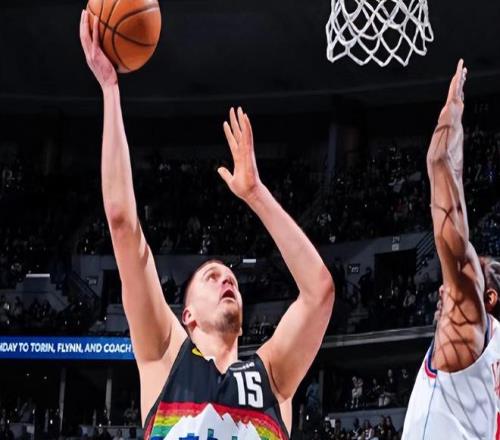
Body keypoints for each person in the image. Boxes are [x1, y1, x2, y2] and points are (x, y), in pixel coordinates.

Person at [80, 11, 334, 440]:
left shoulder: (272, 376)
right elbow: (122, 223)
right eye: (212, 277)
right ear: (188, 316)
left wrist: (256, 194)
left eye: (229, 277)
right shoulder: (166, 356)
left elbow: (319, 292)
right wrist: (109, 89)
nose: (227, 280)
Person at [402, 60, 500, 439]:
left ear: (487, 298)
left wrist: (452, 114)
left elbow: (439, 163)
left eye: (476, 273)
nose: (444, 288)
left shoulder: (470, 325)